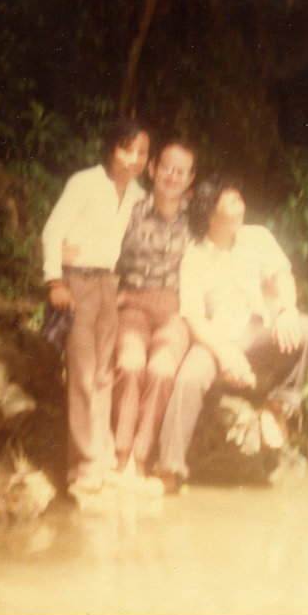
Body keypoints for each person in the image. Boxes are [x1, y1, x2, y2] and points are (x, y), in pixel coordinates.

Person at [154, 174, 308, 492]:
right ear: (209, 213)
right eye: (230, 200)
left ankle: (277, 407)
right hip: (218, 337)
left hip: (260, 328)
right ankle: (169, 470)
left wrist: (288, 309)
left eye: (239, 199)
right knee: (188, 378)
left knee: (307, 328)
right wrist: (226, 353)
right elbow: (194, 317)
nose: (240, 205)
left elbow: (283, 274)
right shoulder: (195, 255)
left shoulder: (257, 236)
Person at [41, 120, 150, 495]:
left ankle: (96, 458)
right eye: (126, 149)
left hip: (108, 285)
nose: (133, 159)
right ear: (111, 150)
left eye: (141, 153)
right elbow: (53, 231)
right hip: (76, 282)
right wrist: (55, 280)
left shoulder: (138, 196)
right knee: (84, 374)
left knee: (103, 375)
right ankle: (87, 462)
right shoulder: (84, 183)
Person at [111, 139, 196, 490]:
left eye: (181, 171)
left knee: (161, 370)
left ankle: (140, 460)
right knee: (130, 364)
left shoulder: (197, 219)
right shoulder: (130, 208)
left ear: (190, 179)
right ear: (153, 170)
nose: (173, 176)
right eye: (167, 168)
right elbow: (102, 247)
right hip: (130, 304)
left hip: (174, 311)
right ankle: (120, 457)